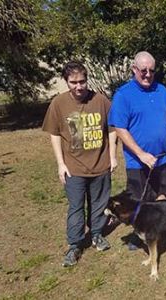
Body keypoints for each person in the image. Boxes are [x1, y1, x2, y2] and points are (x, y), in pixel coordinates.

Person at [42, 61, 117, 267]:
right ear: (66, 82)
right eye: (73, 82)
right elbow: (55, 134)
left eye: (82, 81)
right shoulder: (59, 103)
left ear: (87, 80)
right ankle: (74, 245)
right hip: (73, 168)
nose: (79, 86)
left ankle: (96, 234)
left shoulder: (101, 101)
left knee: (99, 204)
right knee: (76, 207)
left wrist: (112, 156)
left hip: (100, 165)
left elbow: (112, 129)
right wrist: (60, 164)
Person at [108, 51, 166, 249]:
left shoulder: (161, 90)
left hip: (162, 159)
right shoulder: (123, 95)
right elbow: (120, 128)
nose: (147, 74)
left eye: (151, 70)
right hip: (137, 162)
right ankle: (139, 234)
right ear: (134, 69)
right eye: (143, 70)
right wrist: (140, 153)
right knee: (139, 202)